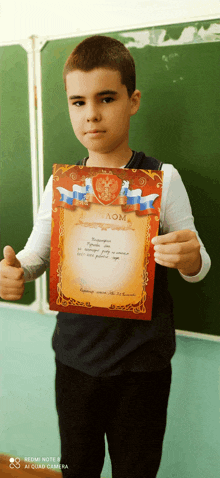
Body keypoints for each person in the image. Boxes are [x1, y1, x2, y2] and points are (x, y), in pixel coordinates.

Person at [0, 35, 211, 478]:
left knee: (137, 468)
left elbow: (198, 266)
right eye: (78, 102)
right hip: (76, 358)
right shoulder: (61, 184)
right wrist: (16, 268)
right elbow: (39, 253)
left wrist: (190, 258)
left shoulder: (162, 178)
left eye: (106, 98)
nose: (91, 113)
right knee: (78, 466)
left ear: (132, 101)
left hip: (143, 364)